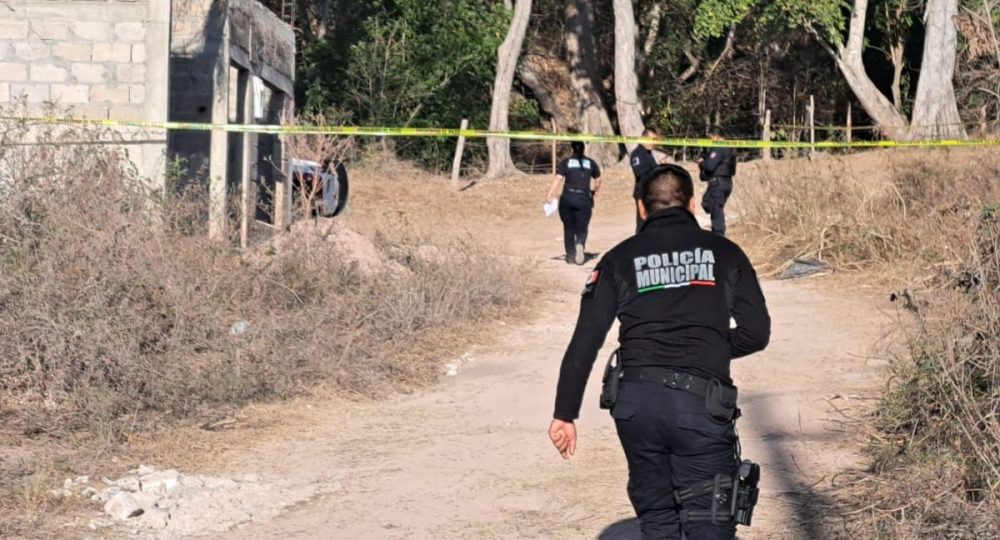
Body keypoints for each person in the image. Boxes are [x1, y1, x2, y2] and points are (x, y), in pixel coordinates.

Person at [548, 165, 771, 539]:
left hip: (636, 406)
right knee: (709, 521)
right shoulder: (726, 253)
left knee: (657, 518)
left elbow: (585, 340)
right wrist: (706, 354)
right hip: (700, 405)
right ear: (694, 203)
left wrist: (564, 413)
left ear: (641, 207)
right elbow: (757, 332)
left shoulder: (617, 259)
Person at [546, 141, 602, 265]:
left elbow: (558, 178)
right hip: (584, 199)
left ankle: (571, 255)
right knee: (583, 226)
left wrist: (550, 193)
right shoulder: (591, 163)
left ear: (572, 150)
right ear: (583, 150)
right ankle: (580, 243)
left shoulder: (566, 162)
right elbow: (598, 179)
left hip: (568, 198)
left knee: (568, 227)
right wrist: (595, 191)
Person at [697, 126, 737, 236]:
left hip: (718, 184)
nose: (710, 141)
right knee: (707, 203)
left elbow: (710, 166)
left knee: (717, 211)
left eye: (710, 137)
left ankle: (719, 235)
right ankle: (717, 233)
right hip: (726, 183)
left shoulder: (719, 147)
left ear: (714, 136)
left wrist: (702, 162)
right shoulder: (730, 147)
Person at [630, 128, 667, 232]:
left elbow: (654, 173)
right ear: (644, 138)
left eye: (654, 140)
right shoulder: (637, 154)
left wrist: (660, 167)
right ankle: (640, 245)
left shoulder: (648, 154)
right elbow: (639, 172)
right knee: (643, 221)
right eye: (651, 139)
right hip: (643, 193)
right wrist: (656, 168)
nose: (653, 143)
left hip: (652, 193)